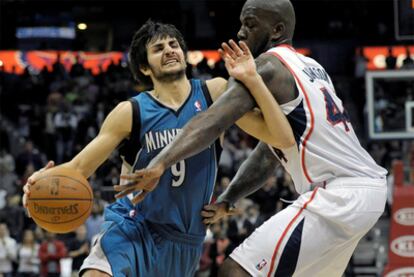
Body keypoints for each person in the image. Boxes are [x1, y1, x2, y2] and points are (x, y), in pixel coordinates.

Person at [120, 1, 388, 276]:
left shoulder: (266, 66)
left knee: (234, 271)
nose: (240, 33)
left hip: (338, 195)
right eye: (241, 23)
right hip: (365, 192)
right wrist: (229, 198)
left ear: (277, 30)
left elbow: (214, 119)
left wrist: (161, 162)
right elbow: (269, 152)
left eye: (250, 24)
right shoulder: (311, 66)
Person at [23, 20, 292, 277]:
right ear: (144, 68)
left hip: (185, 238)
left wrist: (253, 80)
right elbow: (78, 168)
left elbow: (280, 138)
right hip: (133, 224)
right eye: (158, 48)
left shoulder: (215, 93)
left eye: (174, 45)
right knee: (96, 273)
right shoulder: (130, 111)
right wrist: (38, 185)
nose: (169, 51)